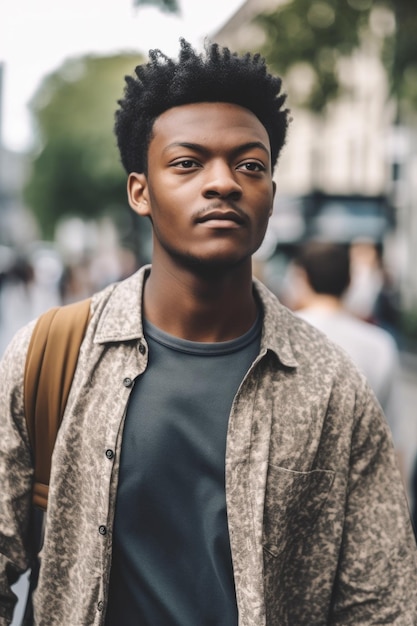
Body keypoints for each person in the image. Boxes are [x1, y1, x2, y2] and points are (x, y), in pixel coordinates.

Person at [0, 39, 416, 626]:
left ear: (271, 195)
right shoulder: (51, 355)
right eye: (188, 163)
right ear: (140, 191)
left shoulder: (332, 387)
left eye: (251, 165)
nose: (223, 182)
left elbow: (382, 606)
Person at [292, 240, 401, 441]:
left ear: (303, 278)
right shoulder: (379, 344)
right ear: (350, 281)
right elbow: (392, 437)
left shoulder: (278, 334)